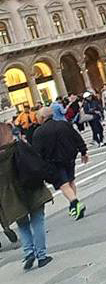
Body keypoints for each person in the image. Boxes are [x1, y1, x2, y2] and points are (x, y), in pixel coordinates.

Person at [0, 123, 54, 270]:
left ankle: (29, 252)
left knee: (22, 225)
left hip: (10, 197)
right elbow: (35, 163)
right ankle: (41, 256)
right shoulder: (18, 147)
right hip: (30, 189)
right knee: (38, 221)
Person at [31, 106, 88, 220]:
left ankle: (75, 202)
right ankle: (73, 206)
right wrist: (83, 151)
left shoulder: (39, 132)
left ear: (42, 117)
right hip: (69, 157)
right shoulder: (64, 124)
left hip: (53, 162)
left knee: (63, 184)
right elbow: (76, 137)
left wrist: (39, 167)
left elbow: (37, 152)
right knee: (70, 180)